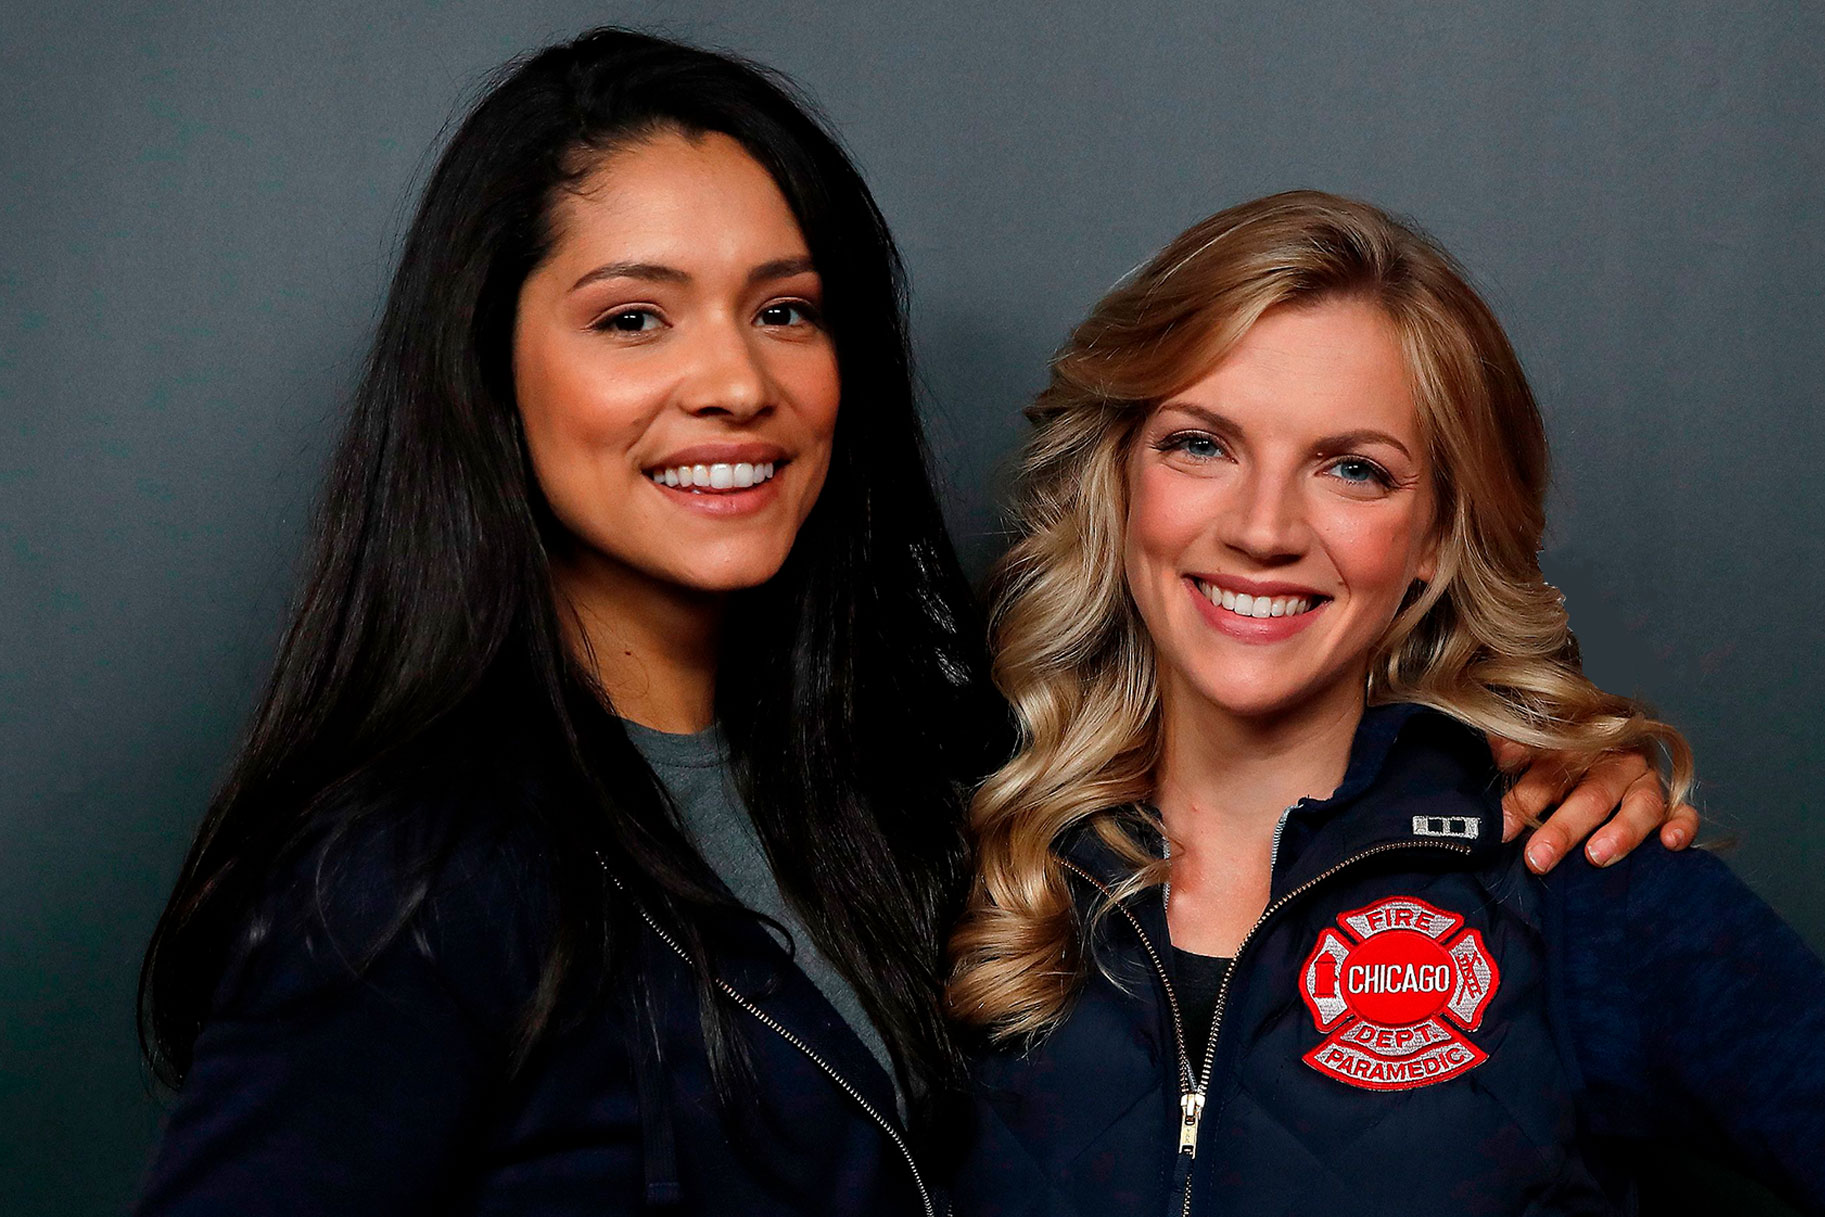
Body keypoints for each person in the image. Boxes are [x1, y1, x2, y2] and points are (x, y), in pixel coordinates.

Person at [133, 31, 1688, 1216]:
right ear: (489, 373)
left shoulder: (929, 787)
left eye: (786, 309)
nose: (734, 378)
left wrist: (1546, 768)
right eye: (631, 316)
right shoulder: (402, 879)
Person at [945, 192, 1825, 1216]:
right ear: (1118, 476)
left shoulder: (1574, 877)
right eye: (1200, 444)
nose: (1263, 527)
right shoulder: (952, 862)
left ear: (1436, 540)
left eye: (1353, 468)